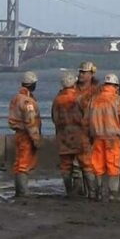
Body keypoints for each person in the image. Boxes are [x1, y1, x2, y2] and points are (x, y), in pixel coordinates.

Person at [86, 71, 120, 202]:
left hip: (97, 138)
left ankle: (98, 192)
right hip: (113, 139)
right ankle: (112, 194)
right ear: (116, 87)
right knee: (113, 166)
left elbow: (86, 120)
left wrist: (90, 136)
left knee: (97, 166)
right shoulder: (119, 100)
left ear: (104, 85)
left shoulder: (94, 100)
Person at [51, 69, 86, 198]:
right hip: (78, 136)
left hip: (63, 136)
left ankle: (69, 191)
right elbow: (86, 117)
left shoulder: (58, 100)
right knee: (78, 164)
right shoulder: (79, 98)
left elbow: (54, 118)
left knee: (65, 165)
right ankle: (78, 190)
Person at [7, 71, 41, 199]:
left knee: (18, 163)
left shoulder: (16, 98)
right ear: (33, 84)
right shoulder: (28, 102)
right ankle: (23, 192)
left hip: (18, 134)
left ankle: (19, 191)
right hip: (26, 135)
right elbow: (31, 121)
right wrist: (36, 139)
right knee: (24, 164)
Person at [74, 61, 100, 198]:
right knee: (75, 165)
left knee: (88, 164)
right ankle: (79, 192)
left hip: (89, 133)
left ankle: (92, 192)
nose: (81, 75)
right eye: (80, 72)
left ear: (91, 74)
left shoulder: (96, 91)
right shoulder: (72, 89)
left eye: (84, 72)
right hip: (73, 132)